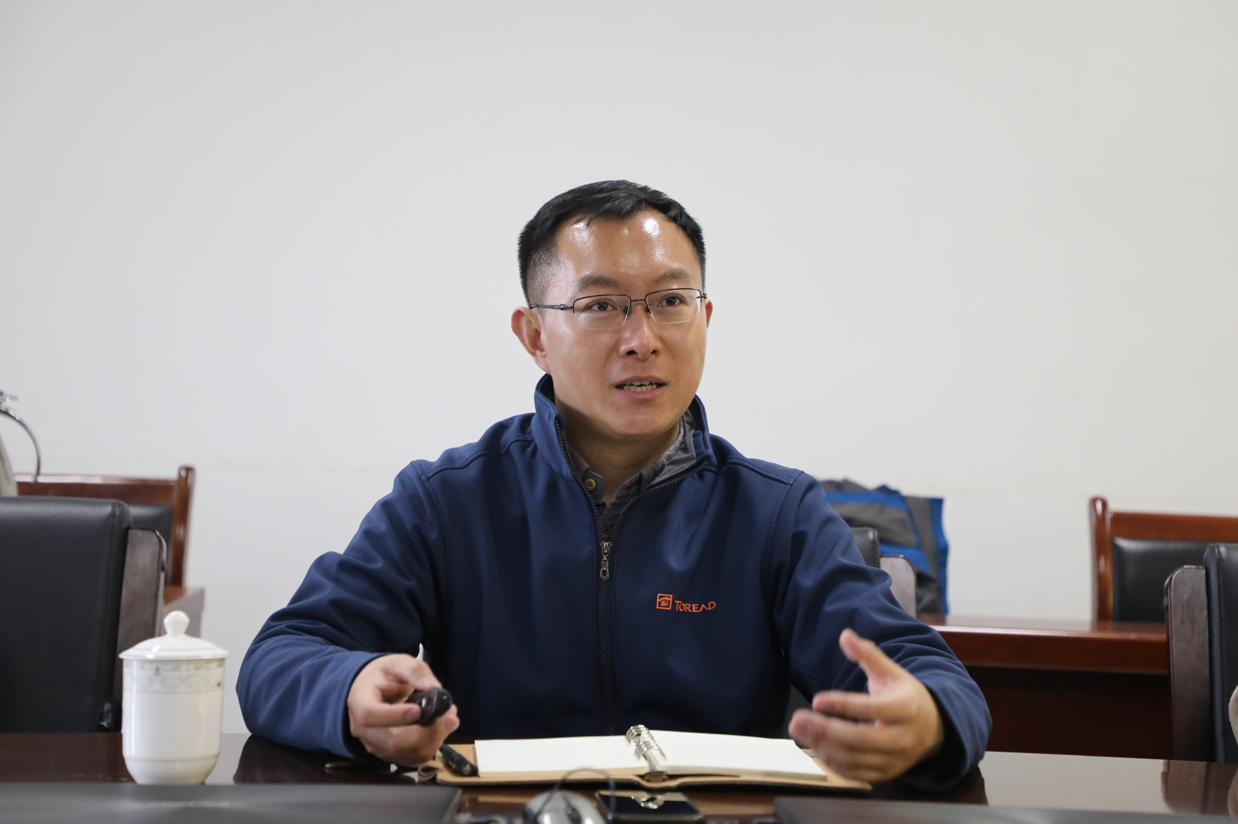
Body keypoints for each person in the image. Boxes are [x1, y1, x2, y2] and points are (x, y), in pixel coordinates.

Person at [237, 180, 990, 789]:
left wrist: (926, 720)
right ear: (534, 336)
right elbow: (281, 656)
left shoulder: (777, 514)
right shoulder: (448, 500)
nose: (643, 338)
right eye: (600, 306)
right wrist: (351, 689)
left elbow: (936, 680)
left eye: (671, 301)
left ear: (705, 318)